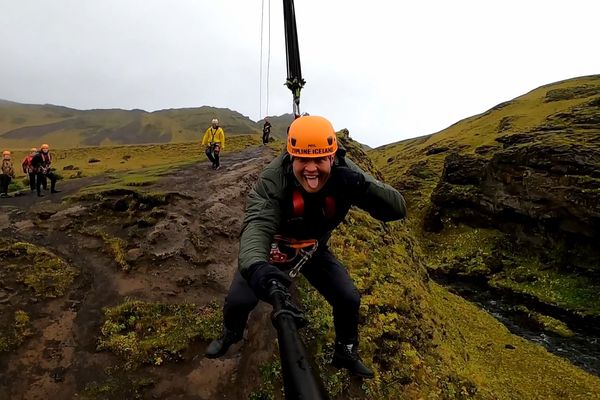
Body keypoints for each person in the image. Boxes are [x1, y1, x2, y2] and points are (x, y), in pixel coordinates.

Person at [205, 116, 407, 378]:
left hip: (313, 249)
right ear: (291, 157)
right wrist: (257, 267)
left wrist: (362, 186)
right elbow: (257, 223)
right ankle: (231, 333)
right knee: (239, 299)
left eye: (320, 160)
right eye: (303, 160)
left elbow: (397, 209)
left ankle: (346, 352)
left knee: (348, 298)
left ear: (333, 157)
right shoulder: (273, 179)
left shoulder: (349, 175)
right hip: (274, 247)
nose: (311, 169)